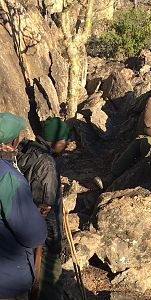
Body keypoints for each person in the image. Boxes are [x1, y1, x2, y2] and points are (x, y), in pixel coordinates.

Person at [17, 117, 70, 300]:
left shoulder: (28, 149)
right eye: (64, 141)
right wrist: (56, 241)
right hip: (42, 239)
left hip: (23, 231)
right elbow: (45, 210)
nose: (65, 145)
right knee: (51, 285)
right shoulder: (47, 164)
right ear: (55, 141)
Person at [95, 83, 151, 189]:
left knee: (145, 160)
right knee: (132, 149)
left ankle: (123, 186)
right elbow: (148, 122)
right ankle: (109, 178)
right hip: (143, 135)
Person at [0, 112, 47, 300]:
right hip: (7, 279)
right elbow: (32, 234)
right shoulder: (8, 177)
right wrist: (35, 218)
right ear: (12, 142)